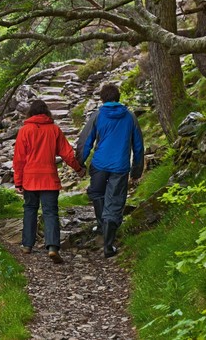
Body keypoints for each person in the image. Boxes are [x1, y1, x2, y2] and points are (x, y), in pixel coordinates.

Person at [76, 83, 144, 258]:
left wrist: (79, 163)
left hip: (99, 164)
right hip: (120, 166)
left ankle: (101, 225)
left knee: (97, 193)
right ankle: (108, 244)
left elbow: (85, 141)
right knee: (114, 202)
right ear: (118, 97)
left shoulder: (97, 116)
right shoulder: (130, 117)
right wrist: (137, 170)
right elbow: (138, 146)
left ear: (102, 98)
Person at [13, 100, 85, 264]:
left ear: (30, 112)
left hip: (30, 179)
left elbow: (19, 159)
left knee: (30, 209)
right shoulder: (54, 130)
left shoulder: (25, 130)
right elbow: (67, 154)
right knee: (50, 212)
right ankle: (52, 247)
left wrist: (18, 182)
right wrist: (78, 169)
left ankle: (27, 245)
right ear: (47, 112)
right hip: (49, 178)